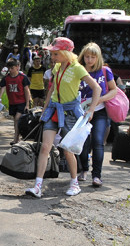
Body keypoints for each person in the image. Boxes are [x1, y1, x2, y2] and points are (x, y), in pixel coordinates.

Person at [25, 37, 100, 198]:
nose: (52, 57)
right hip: (53, 110)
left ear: (66, 53)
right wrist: (44, 110)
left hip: (70, 113)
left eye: (56, 54)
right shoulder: (57, 67)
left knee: (68, 150)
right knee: (45, 147)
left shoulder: (78, 68)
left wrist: (91, 110)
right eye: (52, 54)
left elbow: (97, 88)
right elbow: (52, 89)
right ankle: (37, 186)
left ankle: (74, 183)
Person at [77, 43, 119, 187]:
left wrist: (99, 100)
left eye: (93, 57)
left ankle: (96, 176)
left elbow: (114, 90)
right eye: (87, 56)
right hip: (82, 112)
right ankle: (84, 169)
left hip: (100, 111)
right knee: (83, 143)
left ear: (98, 57)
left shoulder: (105, 71)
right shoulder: (78, 70)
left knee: (98, 141)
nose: (89, 60)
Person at [0, 58, 32, 145]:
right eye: (9, 68)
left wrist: (27, 104)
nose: (10, 70)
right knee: (15, 120)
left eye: (12, 68)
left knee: (17, 119)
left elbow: (26, 90)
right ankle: (17, 137)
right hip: (12, 103)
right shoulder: (6, 78)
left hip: (22, 102)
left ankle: (16, 138)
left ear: (17, 67)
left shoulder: (22, 77)